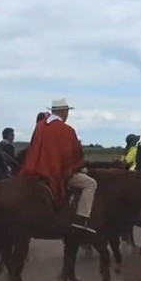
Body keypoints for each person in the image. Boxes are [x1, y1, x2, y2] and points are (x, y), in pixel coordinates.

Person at [19, 98, 97, 232]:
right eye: (67, 112)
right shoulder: (67, 130)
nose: (67, 115)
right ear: (63, 111)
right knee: (90, 184)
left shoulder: (40, 126)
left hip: (33, 171)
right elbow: (73, 156)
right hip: (56, 173)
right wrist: (78, 166)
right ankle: (82, 218)